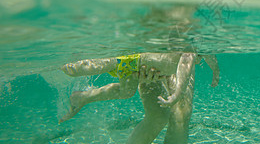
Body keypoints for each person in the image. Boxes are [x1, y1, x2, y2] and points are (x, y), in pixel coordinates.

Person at [125, 0, 225, 144]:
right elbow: (168, 12)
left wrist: (201, 45)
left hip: (185, 38)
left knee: (182, 115)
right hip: (155, 40)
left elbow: (202, 11)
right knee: (156, 118)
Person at [59, 53, 219, 123]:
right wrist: (177, 93)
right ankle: (61, 62)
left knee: (126, 92)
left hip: (134, 70)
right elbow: (185, 63)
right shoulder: (189, 46)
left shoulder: (201, 48)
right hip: (130, 58)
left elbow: (210, 56)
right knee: (85, 68)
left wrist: (215, 71)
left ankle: (83, 97)